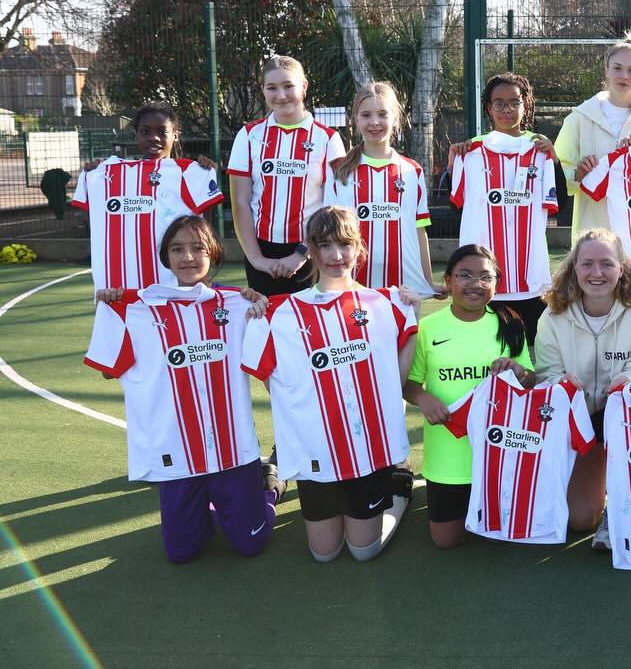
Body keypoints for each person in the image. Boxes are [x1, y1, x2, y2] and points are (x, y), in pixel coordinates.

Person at [84, 215, 274, 563]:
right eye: (177, 249)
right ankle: (211, 505)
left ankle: (269, 487)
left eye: (197, 248)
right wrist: (113, 308)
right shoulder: (136, 309)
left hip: (233, 448)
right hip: (176, 453)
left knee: (252, 545)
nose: (188, 257)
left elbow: (273, 357)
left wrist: (260, 305)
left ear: (213, 253)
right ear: (166, 257)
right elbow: (109, 373)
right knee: (181, 552)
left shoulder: (238, 305)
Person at [241, 206, 416, 563]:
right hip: (316, 451)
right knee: (324, 553)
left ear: (359, 248)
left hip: (366, 451)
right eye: (325, 245)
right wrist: (300, 410)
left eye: (345, 244)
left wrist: (414, 309)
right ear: (312, 249)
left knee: (363, 551)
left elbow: (395, 374)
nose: (337, 255)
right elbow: (268, 377)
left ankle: (398, 488)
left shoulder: (387, 303)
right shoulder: (280, 312)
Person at [531, 228, 631, 544]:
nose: (597, 273)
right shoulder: (553, 315)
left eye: (606, 264)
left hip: (623, 418)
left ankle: (621, 505)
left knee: (628, 402)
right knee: (580, 520)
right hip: (578, 419)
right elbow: (547, 372)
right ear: (573, 267)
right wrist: (561, 383)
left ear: (622, 269)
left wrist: (628, 380)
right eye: (587, 264)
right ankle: (598, 485)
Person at [403, 245, 534, 549]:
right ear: (448, 281)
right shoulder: (427, 328)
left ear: (496, 284)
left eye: (485, 277)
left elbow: (530, 381)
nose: (475, 284)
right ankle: (403, 485)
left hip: (500, 453)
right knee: (446, 540)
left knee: (503, 535)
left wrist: (517, 369)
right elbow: (408, 384)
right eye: (465, 275)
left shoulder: (510, 322)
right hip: (449, 454)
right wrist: (423, 398)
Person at [449, 72, 558, 345]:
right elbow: (455, 204)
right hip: (485, 281)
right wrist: (453, 165)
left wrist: (554, 161)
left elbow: (557, 204)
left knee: (533, 354)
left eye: (514, 102)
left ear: (526, 105)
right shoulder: (471, 152)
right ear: (488, 107)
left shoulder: (541, 151)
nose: (507, 109)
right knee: (485, 352)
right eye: (499, 103)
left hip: (528, 277)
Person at [73, 103, 224, 295]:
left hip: (175, 288)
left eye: (162, 131)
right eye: (145, 131)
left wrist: (205, 173)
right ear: (136, 134)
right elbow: (92, 217)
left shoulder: (190, 173)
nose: (154, 137)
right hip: (119, 292)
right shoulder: (102, 174)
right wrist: (93, 173)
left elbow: (206, 229)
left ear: (175, 134)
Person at [228, 56, 345, 296]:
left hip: (312, 251)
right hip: (261, 251)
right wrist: (256, 259)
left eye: (288, 86)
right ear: (263, 90)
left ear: (304, 86)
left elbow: (332, 207)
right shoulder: (249, 135)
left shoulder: (328, 139)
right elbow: (240, 201)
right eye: (272, 88)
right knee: (265, 326)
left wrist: (302, 254)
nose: (281, 95)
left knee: (310, 329)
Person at [555, 37, 631, 244]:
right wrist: (578, 173)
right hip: (592, 237)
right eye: (618, 68)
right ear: (607, 70)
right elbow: (557, 177)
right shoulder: (579, 117)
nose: (624, 76)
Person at [325, 81, 436, 295]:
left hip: (405, 286)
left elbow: (419, 230)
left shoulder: (412, 170)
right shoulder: (338, 170)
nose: (375, 122)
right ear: (356, 119)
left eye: (383, 114)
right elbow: (328, 233)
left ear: (395, 118)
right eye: (366, 115)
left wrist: (428, 282)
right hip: (352, 284)